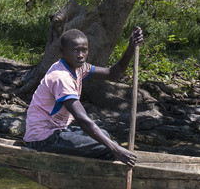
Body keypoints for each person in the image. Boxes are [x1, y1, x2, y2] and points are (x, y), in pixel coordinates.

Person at [23, 26, 143, 164]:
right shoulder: (61, 77)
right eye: (75, 50)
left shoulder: (79, 67)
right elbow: (82, 118)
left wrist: (131, 48)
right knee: (107, 148)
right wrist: (116, 149)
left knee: (104, 135)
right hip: (42, 138)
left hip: (59, 130)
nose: (80, 55)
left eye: (84, 50)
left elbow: (113, 73)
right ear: (63, 51)